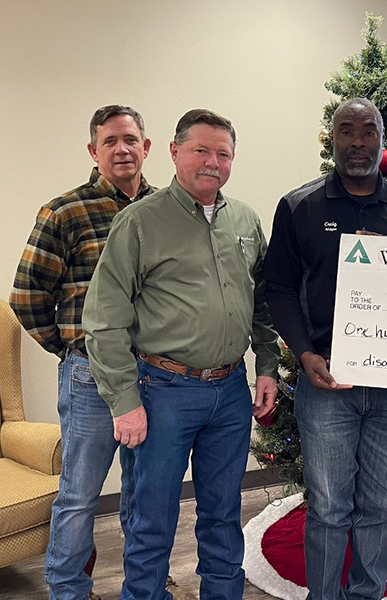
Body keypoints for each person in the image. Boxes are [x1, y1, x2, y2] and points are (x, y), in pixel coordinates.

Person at [83, 109, 280, 600]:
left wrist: (267, 366)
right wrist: (124, 401)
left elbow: (261, 302)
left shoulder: (245, 220)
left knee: (223, 513)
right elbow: (104, 319)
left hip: (230, 392)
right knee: (152, 517)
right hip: (164, 392)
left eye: (223, 154)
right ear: (174, 152)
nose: (212, 162)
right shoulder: (139, 222)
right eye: (200, 150)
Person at [263, 98, 387, 600]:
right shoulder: (299, 207)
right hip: (326, 384)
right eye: (346, 130)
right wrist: (304, 353)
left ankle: (366, 594)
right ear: (331, 138)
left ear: (383, 139)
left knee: (380, 508)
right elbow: (278, 288)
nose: (358, 141)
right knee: (329, 509)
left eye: (368, 131)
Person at [10, 104, 153, 600]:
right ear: (94, 150)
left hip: (153, 374)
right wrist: (71, 348)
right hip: (90, 375)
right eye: (110, 141)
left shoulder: (164, 209)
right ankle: (68, 589)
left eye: (130, 139)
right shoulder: (65, 211)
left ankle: (144, 581)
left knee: (143, 488)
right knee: (80, 493)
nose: (122, 149)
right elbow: (27, 295)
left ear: (146, 147)